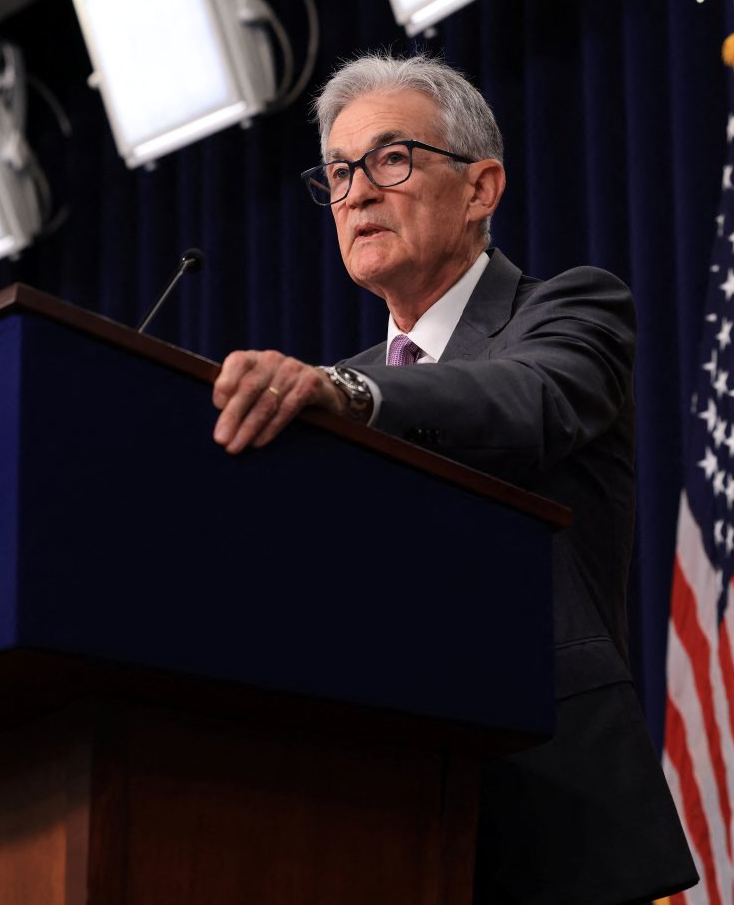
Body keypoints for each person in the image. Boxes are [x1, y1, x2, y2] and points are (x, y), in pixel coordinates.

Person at [211, 53, 696, 905]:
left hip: (551, 808)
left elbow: (528, 401)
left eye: (391, 159)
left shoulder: (567, 313)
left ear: (481, 189)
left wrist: (354, 395)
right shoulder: (336, 388)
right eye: (338, 172)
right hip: (370, 815)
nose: (357, 191)